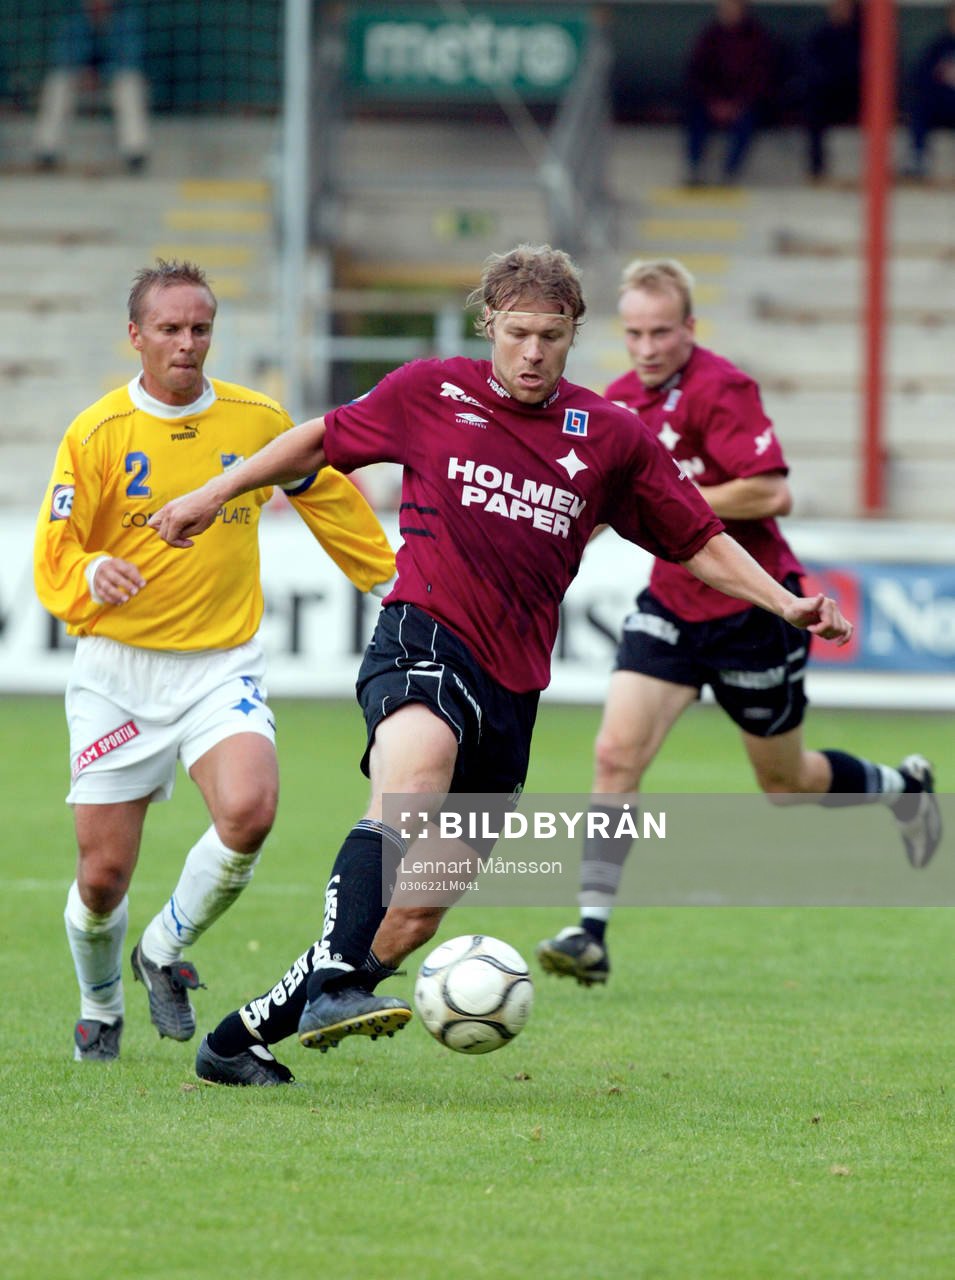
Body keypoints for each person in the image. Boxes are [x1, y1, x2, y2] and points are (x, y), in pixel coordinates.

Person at [149, 244, 852, 1087]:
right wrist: (212, 493)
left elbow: (696, 536)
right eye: (517, 333)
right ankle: (335, 981)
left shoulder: (611, 437)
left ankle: (237, 1040)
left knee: (413, 916)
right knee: (410, 787)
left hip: (513, 688)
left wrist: (782, 602)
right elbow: (316, 443)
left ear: (572, 334)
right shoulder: (429, 391)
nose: (532, 352)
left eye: (550, 336)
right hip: (422, 637)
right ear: (488, 324)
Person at [535, 258, 942, 987]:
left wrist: (667, 495)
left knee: (785, 783)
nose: (647, 347)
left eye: (662, 331)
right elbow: (599, 503)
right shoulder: (615, 403)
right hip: (670, 606)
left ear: (690, 327)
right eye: (634, 333)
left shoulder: (721, 389)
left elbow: (770, 493)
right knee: (615, 755)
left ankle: (903, 789)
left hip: (754, 610)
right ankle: (589, 930)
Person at [34, 259, 396, 1063]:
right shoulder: (97, 432)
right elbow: (56, 545)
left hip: (219, 666)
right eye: (169, 328)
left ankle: (162, 948)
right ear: (135, 335)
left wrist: (395, 582)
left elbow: (328, 499)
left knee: (250, 810)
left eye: (200, 328)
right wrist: (92, 571)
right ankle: (99, 1005)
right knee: (102, 877)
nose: (187, 343)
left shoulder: (256, 419)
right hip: (116, 671)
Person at [33, 0, 150, 173]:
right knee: (57, 82)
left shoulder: (126, 19)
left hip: (113, 80)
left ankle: (135, 154)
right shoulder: (74, 20)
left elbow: (130, 58)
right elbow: (62, 55)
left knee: (130, 83)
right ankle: (47, 151)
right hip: (80, 81)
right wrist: (82, 73)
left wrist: (102, 74)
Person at [684, 0, 778, 186]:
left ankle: (729, 173)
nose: (729, 12)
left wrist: (738, 104)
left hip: (744, 102)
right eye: (725, 8)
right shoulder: (710, 35)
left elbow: (761, 77)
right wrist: (713, 102)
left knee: (748, 118)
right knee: (695, 113)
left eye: (733, 8)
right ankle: (695, 169)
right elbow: (697, 73)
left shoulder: (758, 36)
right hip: (712, 101)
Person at [803, 0, 861, 181]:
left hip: (856, 97)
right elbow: (811, 68)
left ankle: (877, 168)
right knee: (813, 105)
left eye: (844, 7)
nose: (840, 11)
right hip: (829, 97)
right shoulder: (820, 36)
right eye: (836, 7)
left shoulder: (864, 36)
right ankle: (817, 169)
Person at [905, 3, 955, 181]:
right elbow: (920, 76)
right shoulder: (939, 46)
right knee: (921, 107)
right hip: (942, 105)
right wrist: (939, 77)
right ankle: (918, 159)